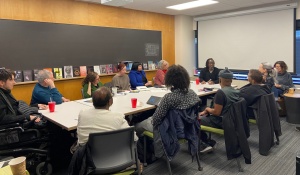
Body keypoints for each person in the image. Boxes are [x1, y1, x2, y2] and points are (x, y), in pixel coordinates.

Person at [135, 65, 212, 153]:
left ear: (169, 80)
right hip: (188, 128)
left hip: (171, 130)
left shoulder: (169, 97)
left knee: (137, 126)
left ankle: (144, 155)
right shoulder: (192, 93)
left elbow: (156, 119)